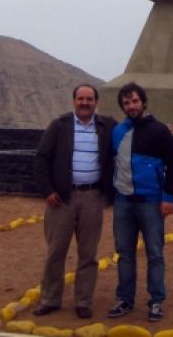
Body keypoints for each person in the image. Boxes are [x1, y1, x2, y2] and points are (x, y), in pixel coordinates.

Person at [33, 84, 115, 320]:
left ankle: (83, 301)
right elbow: (41, 159)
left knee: (88, 254)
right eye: (81, 98)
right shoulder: (59, 126)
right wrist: (47, 190)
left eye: (89, 99)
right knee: (56, 251)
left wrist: (163, 130)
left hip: (92, 197)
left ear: (96, 102)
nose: (85, 102)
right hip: (61, 199)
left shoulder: (106, 126)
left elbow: (133, 133)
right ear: (73, 101)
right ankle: (50, 299)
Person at [107, 82, 173, 324]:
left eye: (135, 101)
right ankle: (124, 300)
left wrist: (169, 197)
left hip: (151, 202)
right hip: (123, 202)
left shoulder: (160, 131)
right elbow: (111, 161)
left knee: (155, 253)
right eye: (126, 103)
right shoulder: (117, 131)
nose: (131, 106)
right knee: (124, 253)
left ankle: (156, 301)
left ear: (144, 102)